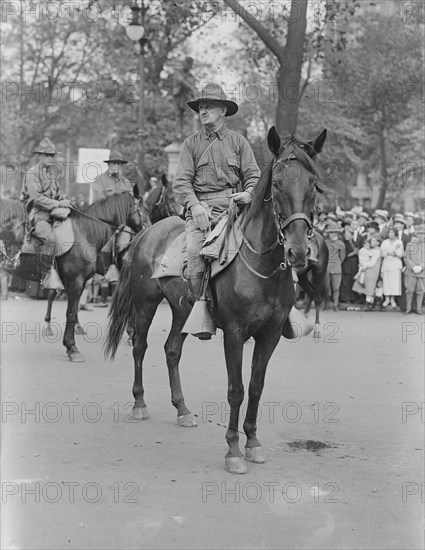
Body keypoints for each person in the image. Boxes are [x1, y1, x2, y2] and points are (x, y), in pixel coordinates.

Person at [173, 83, 261, 300]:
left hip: (235, 209)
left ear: (223, 111)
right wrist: (194, 207)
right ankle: (199, 306)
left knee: (267, 244)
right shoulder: (190, 144)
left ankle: (278, 307)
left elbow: (254, 175)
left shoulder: (239, 142)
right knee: (194, 252)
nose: (203, 111)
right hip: (202, 210)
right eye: (201, 107)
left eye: (209, 107)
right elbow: (181, 182)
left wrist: (249, 193)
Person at [20, 137, 70, 260]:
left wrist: (65, 201)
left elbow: (57, 195)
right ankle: (45, 275)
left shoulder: (51, 173)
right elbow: (37, 200)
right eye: (47, 155)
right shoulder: (33, 173)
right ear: (39, 156)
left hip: (52, 213)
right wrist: (58, 204)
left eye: (52, 156)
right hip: (36, 214)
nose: (50, 158)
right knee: (51, 240)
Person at [352, 236, 382, 310]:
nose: (371, 242)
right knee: (362, 284)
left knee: (370, 287)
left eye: (373, 241)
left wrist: (364, 265)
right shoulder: (369, 250)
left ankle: (367, 303)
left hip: (372, 270)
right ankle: (367, 301)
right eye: (371, 241)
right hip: (367, 270)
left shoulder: (377, 251)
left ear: (378, 243)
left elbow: (372, 263)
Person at [323, 220, 346, 311]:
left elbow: (342, 257)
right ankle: (325, 305)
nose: (332, 234)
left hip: (336, 267)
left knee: (336, 287)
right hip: (327, 266)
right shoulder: (325, 242)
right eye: (330, 232)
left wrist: (337, 263)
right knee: (326, 287)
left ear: (337, 233)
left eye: (334, 232)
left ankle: (336, 305)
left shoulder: (341, 244)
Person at [403, 223, 425, 314]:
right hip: (410, 272)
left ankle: (419, 309)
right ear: (416, 234)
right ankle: (408, 308)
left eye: (423, 234)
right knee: (409, 290)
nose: (421, 236)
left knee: (420, 291)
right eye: (419, 233)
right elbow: (406, 257)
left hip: (422, 272)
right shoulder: (410, 245)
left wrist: (421, 266)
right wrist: (413, 267)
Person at [380, 227, 403, 309]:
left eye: (392, 233)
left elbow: (400, 254)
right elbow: (382, 253)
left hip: (396, 264)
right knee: (386, 281)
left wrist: (395, 253)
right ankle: (387, 299)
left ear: (395, 233)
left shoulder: (399, 242)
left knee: (394, 282)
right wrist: (389, 253)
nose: (390, 234)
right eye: (389, 233)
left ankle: (393, 299)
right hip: (386, 263)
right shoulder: (385, 242)